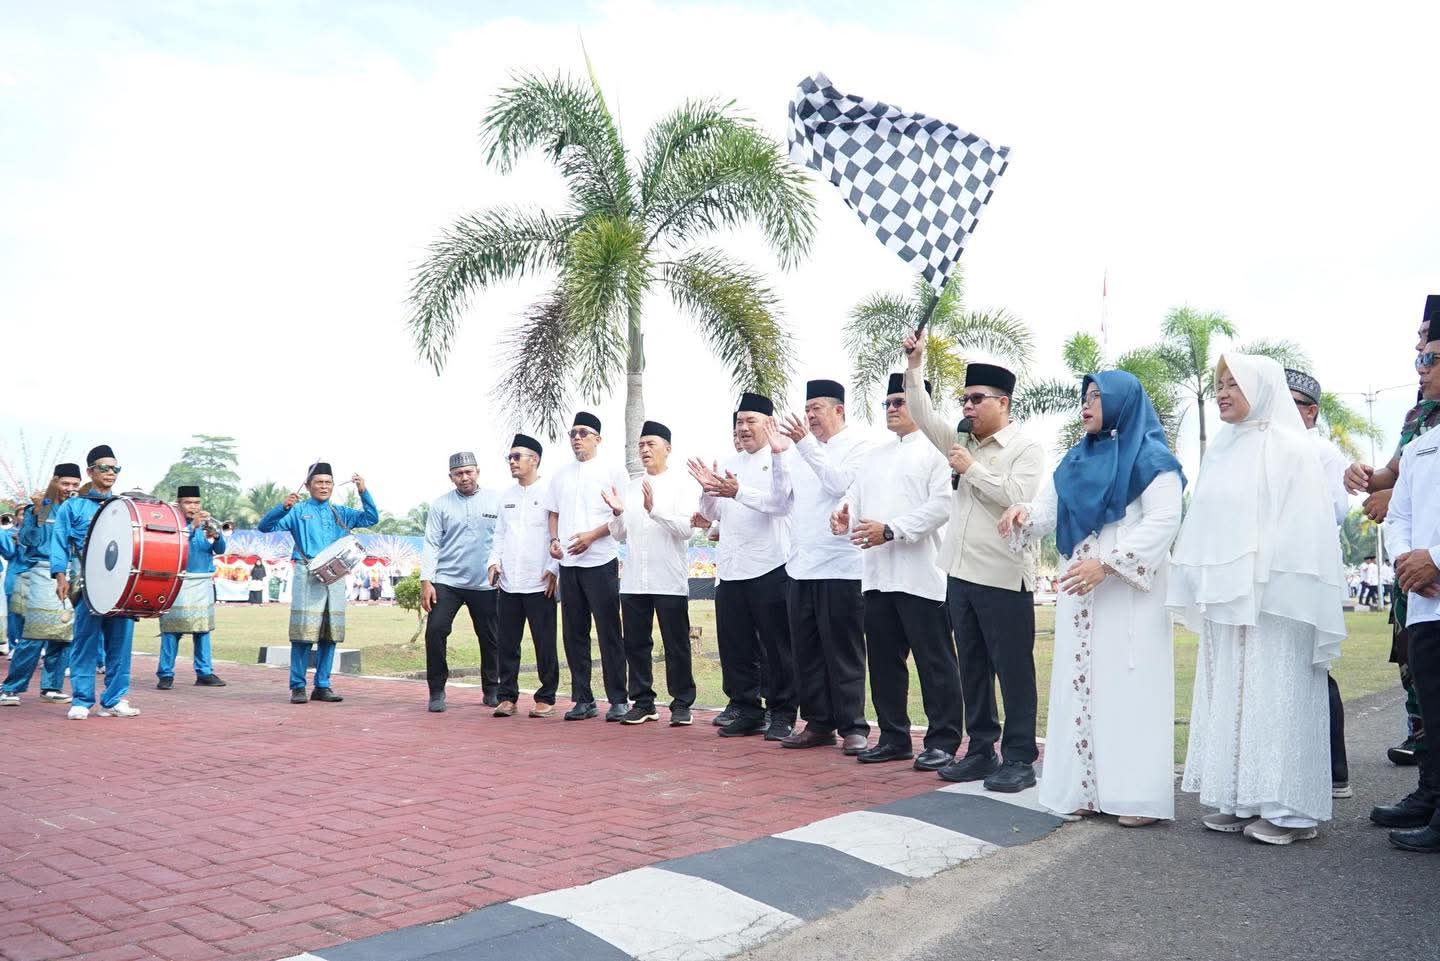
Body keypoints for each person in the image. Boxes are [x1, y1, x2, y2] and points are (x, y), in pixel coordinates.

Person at [1169, 354, 1346, 845]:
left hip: (1275, 596)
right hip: (1228, 598)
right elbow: (1206, 524)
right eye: (1218, 383)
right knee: (1232, 690)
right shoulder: (1224, 448)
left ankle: (1290, 810)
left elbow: (1306, 525)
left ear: (1261, 388)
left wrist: (1262, 575)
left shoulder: (1290, 447)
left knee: (1277, 692)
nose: (1222, 391)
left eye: (1233, 383)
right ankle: (1240, 797)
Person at [1000, 372, 1185, 826]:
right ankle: (1084, 788)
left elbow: (1164, 520)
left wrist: (1108, 565)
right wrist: (1023, 515)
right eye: (1084, 397)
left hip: (1126, 595)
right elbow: (1049, 509)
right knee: (1081, 686)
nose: (1086, 404)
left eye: (1097, 396)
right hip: (1079, 595)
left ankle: (1135, 797)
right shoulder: (1076, 460)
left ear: (1122, 402)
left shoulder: (1151, 458)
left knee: (1128, 686)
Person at [902, 333, 1046, 793]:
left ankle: (1020, 757)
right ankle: (982, 750)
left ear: (1003, 403)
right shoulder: (960, 442)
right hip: (960, 575)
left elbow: (1019, 499)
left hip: (1003, 577)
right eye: (964, 399)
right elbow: (922, 413)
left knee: (1013, 671)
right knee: (973, 668)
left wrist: (971, 470)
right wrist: (916, 362)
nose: (967, 406)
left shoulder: (1025, 448)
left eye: (976, 399)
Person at [835, 373, 959, 770]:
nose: (891, 409)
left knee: (934, 663)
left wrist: (891, 530)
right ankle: (893, 737)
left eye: (900, 402)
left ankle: (942, 740)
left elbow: (942, 506)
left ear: (922, 404)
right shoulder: (874, 455)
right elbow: (852, 499)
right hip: (876, 576)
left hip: (922, 577)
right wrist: (841, 515)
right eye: (887, 403)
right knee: (885, 663)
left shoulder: (938, 451)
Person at [690, 393, 798, 740]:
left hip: (770, 565)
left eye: (751, 421)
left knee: (777, 648)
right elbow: (710, 514)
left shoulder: (782, 457)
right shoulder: (727, 460)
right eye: (739, 422)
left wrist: (737, 492)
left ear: (769, 422)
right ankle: (747, 708)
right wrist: (708, 489)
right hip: (732, 568)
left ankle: (782, 713)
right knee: (735, 646)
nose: (744, 428)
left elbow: (780, 504)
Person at [774, 380, 873, 755]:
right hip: (801, 566)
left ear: (839, 410)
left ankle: (853, 726)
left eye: (817, 407)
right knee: (807, 653)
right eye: (807, 408)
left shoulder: (860, 447)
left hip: (841, 566)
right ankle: (818, 723)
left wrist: (804, 445)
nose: (810, 415)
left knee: (843, 651)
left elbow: (838, 484)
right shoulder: (799, 452)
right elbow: (781, 502)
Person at [1372, 304, 1440, 843]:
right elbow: (1399, 515)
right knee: (1432, 704)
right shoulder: (1420, 442)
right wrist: (1406, 560)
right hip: (1423, 598)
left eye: (1431, 357)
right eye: (1420, 357)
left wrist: (1436, 558)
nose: (1421, 367)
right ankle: (1432, 797)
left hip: (1433, 576)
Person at [602, 420, 699, 726]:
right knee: (636, 643)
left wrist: (654, 509)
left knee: (676, 644)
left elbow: (686, 530)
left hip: (668, 579)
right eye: (641, 445)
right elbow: (619, 535)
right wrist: (618, 512)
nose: (644, 450)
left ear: (667, 449)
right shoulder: (630, 488)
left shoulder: (682, 485)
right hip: (633, 581)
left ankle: (682, 703)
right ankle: (643, 702)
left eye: (651, 444)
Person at [257, 462, 378, 704]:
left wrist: (364, 491)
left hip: (335, 576)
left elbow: (371, 518)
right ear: (308, 485)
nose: (324, 486)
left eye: (328, 483)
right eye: (319, 482)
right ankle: (298, 686)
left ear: (333, 486)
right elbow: (264, 527)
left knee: (330, 633)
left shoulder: (340, 512)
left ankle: (322, 685)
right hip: (306, 573)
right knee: (303, 634)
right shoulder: (297, 510)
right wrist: (282, 507)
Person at [1286, 367, 1353, 800]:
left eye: (1294, 404)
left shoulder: (1323, 452)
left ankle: (1334, 770)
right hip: (1277, 574)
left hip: (1308, 571)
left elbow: (1338, 510)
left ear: (1311, 412)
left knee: (1315, 669)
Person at [544, 412, 630, 721]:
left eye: (583, 433)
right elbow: (552, 512)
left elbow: (623, 514)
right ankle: (583, 699)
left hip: (600, 560)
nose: (577, 438)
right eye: (573, 433)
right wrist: (554, 540)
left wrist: (592, 536)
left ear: (598, 438)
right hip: (569, 563)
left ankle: (619, 699)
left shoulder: (613, 470)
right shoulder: (560, 474)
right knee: (574, 633)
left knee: (609, 632)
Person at [50, 445, 139, 720]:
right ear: (91, 471)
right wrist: (60, 576)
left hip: (121, 585)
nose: (111, 473)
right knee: (85, 643)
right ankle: (81, 699)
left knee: (120, 645)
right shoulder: (73, 506)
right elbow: (60, 542)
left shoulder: (124, 507)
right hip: (87, 584)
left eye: (115, 468)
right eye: (105, 468)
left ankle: (113, 700)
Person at [420, 451, 502, 713]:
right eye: (458, 474)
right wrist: (427, 580)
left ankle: (492, 689)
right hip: (447, 581)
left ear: (478, 471)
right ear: (451, 477)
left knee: (491, 638)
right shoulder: (440, 505)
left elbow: (503, 539)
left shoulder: (496, 501)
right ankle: (436, 691)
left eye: (469, 472)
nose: (464, 477)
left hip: (485, 582)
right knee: (435, 631)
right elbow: (432, 543)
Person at [489, 434, 561, 718]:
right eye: (510, 457)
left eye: (517, 456)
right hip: (508, 583)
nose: (512, 462)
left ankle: (546, 697)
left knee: (544, 643)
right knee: (507, 643)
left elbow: (557, 534)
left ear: (535, 459)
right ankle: (507, 697)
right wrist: (494, 562)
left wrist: (553, 569)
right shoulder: (506, 496)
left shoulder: (549, 493)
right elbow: (499, 535)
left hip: (539, 581)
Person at [0, 465, 82, 706]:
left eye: (75, 484)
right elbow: (26, 542)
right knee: (35, 635)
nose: (70, 489)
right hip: (41, 573)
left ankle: (51, 687)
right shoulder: (41, 508)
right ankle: (10, 687)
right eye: (66, 483)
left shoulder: (76, 509)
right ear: (55, 481)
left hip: (71, 573)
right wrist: (36, 515)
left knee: (64, 635)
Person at [156, 485, 228, 690]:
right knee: (171, 631)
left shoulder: (207, 525)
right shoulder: (172, 523)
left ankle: (204, 672)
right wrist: (192, 527)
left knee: (203, 629)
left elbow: (220, 550)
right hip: (178, 581)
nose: (193, 506)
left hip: (202, 582)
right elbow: (172, 544)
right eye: (188, 502)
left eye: (196, 503)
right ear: (178, 504)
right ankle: (165, 673)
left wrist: (217, 535)